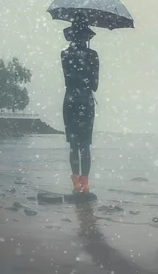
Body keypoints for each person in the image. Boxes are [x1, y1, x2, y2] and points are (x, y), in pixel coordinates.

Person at [61, 12, 99, 193]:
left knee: (73, 144)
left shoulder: (65, 54)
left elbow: (68, 80)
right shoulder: (93, 55)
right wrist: (88, 65)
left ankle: (75, 183)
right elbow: (95, 85)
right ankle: (85, 184)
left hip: (70, 101)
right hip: (85, 101)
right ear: (86, 36)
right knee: (85, 145)